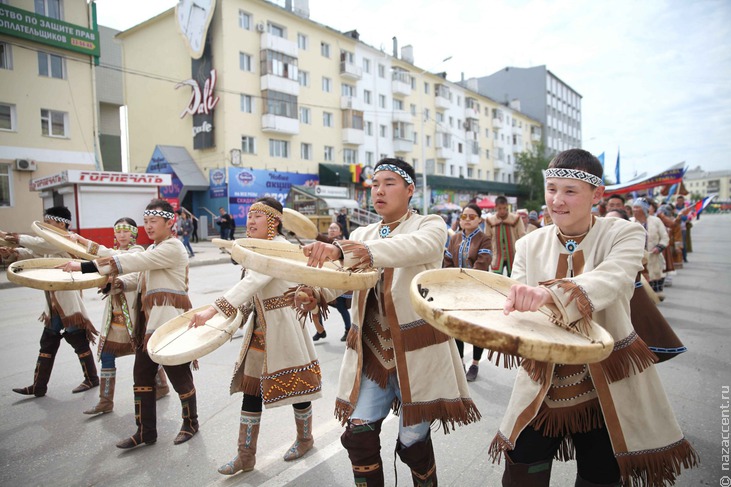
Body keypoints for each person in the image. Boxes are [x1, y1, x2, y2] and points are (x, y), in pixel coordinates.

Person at [489, 149, 698, 486]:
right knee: (522, 468)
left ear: (597, 195)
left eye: (570, 191)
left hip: (607, 381)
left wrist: (550, 294)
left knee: (600, 474)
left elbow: (612, 279)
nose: (557, 200)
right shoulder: (529, 244)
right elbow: (515, 304)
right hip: (544, 379)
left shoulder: (624, 233)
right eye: (552, 188)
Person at [302, 158, 480, 486]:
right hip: (374, 356)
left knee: (413, 446)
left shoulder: (431, 225)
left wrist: (343, 250)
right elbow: (342, 276)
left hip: (417, 355)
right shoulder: (362, 232)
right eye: (374, 184)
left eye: (389, 183)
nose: (379, 191)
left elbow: (405, 249)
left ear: (410, 189)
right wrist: (316, 293)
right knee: (359, 439)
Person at [188, 197, 322, 475]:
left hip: (284, 327)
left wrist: (214, 309)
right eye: (249, 216)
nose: (250, 221)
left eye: (258, 216)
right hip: (261, 328)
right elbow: (251, 290)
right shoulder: (258, 248)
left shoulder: (279, 248)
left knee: (297, 387)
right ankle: (245, 455)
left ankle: (305, 439)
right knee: (251, 391)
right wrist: (236, 314)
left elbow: (253, 282)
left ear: (273, 222)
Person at [61, 199, 198, 448]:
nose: (148, 226)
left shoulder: (173, 248)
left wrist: (84, 266)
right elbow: (137, 276)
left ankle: (191, 423)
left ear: (170, 222)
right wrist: (119, 284)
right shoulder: (153, 250)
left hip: (169, 325)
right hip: (147, 326)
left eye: (153, 221)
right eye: (145, 221)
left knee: (180, 377)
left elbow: (131, 263)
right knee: (142, 377)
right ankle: (145, 431)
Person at [70, 219, 170, 414]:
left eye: (126, 231)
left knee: (145, 356)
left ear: (133, 233)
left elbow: (116, 258)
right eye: (118, 231)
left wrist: (83, 241)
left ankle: (162, 385)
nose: (122, 235)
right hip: (114, 317)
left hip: (133, 316)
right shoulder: (116, 253)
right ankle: (105, 401)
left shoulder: (138, 252)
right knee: (107, 355)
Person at [1, 207, 100, 398]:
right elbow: (34, 253)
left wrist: (12, 237)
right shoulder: (49, 244)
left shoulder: (66, 241)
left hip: (68, 304)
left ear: (62, 224)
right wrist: (12, 252)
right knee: (48, 342)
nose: (46, 226)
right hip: (54, 304)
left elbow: (42, 246)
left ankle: (92, 378)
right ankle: (39, 386)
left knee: (77, 340)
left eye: (50, 223)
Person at [443, 203, 492, 382]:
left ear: (479, 219)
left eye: (472, 216)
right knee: (457, 327)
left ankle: (475, 363)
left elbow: (483, 262)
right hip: (456, 291)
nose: (468, 219)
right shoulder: (455, 238)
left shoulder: (484, 239)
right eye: (464, 216)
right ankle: (460, 362)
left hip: (477, 289)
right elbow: (447, 261)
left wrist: (467, 282)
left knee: (477, 328)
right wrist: (448, 281)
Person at [312, 222, 353, 342]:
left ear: (340, 232)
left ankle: (348, 330)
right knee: (317, 304)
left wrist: (313, 233)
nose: (332, 230)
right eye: (330, 228)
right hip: (324, 280)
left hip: (339, 281)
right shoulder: (326, 243)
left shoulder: (340, 244)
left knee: (341, 307)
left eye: (335, 228)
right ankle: (321, 331)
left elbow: (326, 240)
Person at [631, 198, 669, 300]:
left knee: (655, 288)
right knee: (640, 288)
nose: (634, 209)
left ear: (644, 209)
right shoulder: (629, 222)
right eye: (633, 207)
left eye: (637, 207)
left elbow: (665, 237)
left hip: (653, 258)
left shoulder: (656, 221)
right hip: (637, 260)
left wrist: (658, 247)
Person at [485, 195, 526, 276]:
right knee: (496, 277)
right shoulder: (490, 220)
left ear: (507, 206)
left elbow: (522, 235)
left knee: (513, 276)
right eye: (500, 208)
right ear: (496, 207)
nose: (502, 211)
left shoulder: (516, 219)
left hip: (513, 254)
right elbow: (487, 237)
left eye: (504, 208)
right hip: (497, 254)